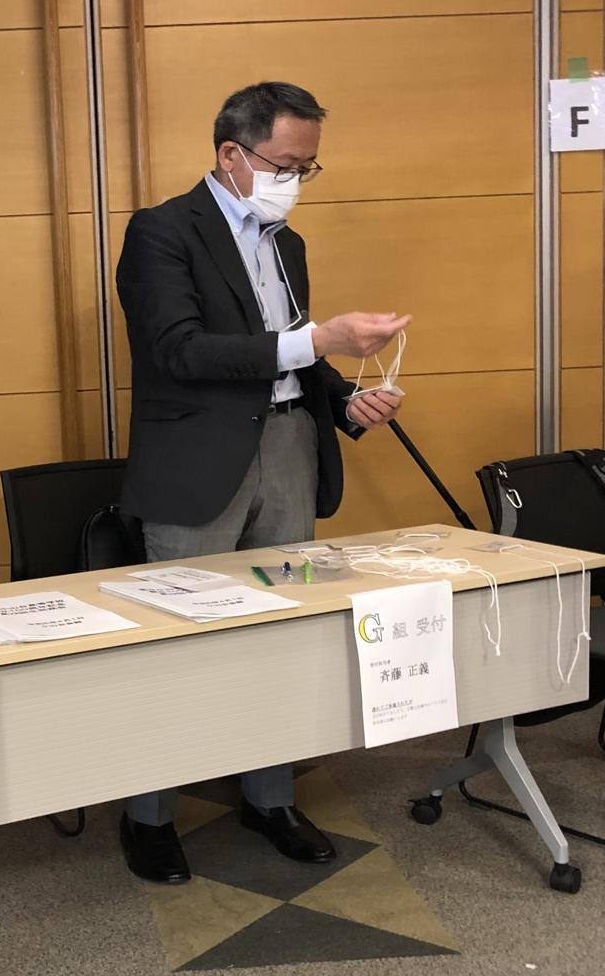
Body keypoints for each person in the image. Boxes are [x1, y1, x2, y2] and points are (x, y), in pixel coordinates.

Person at [113, 80, 409, 884]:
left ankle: (270, 798)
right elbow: (180, 350)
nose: (294, 181)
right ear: (231, 154)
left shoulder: (287, 244)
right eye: (285, 165)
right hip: (196, 464)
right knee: (175, 642)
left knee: (283, 633)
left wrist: (346, 402)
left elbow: (288, 356)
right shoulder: (161, 232)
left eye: (307, 168)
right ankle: (148, 815)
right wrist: (320, 340)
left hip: (287, 449)